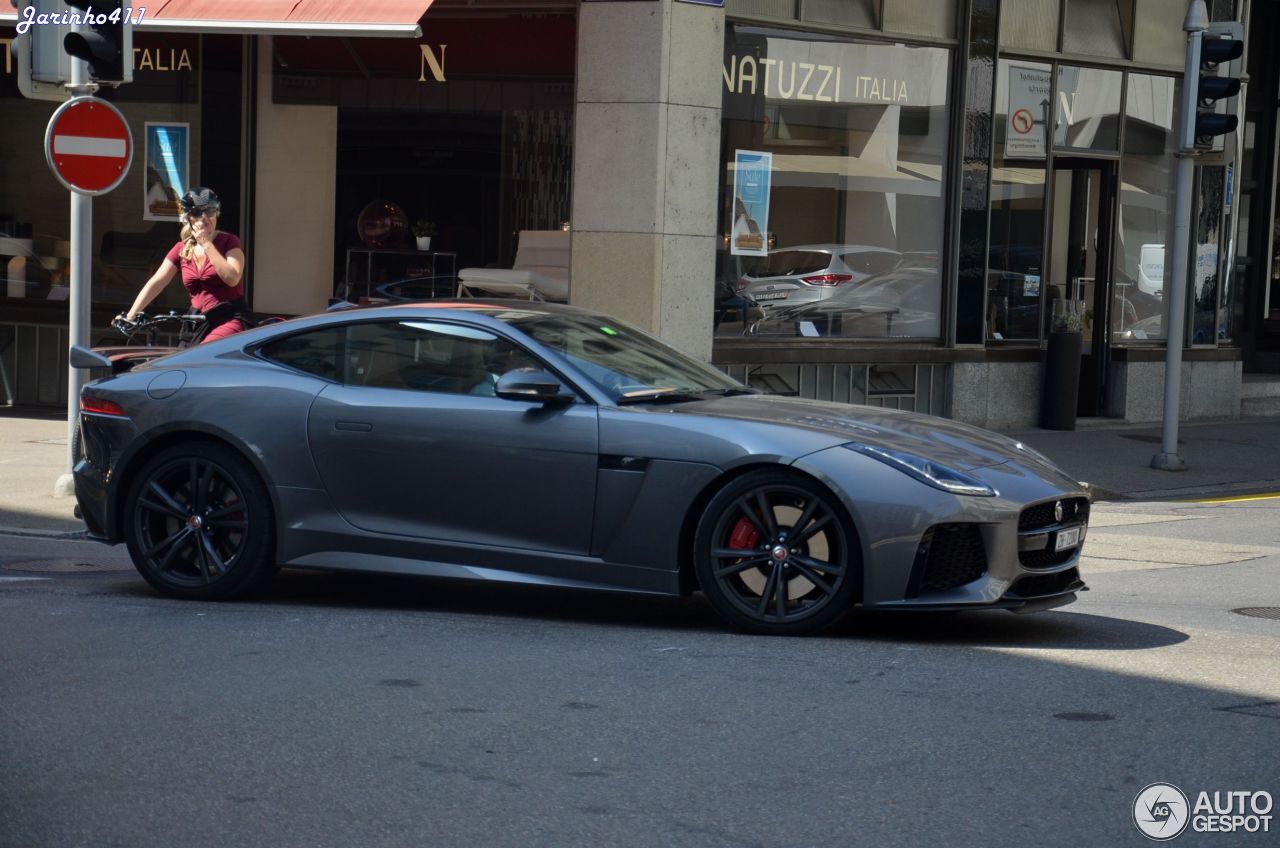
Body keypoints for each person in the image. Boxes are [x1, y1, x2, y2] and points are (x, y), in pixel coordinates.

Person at [123, 187, 248, 343]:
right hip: (197, 321)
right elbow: (157, 282)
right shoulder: (181, 249)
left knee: (203, 355)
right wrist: (131, 314)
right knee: (180, 362)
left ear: (216, 213)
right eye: (196, 213)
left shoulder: (229, 241)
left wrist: (207, 244)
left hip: (227, 318)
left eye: (209, 211)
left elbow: (233, 278)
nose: (204, 218)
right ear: (189, 218)